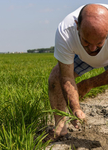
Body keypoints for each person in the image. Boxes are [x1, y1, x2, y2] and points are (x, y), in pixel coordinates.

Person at [48, 3, 108, 140]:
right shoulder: (65, 31)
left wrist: (88, 84)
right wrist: (75, 108)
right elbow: (66, 76)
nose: (92, 49)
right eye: (86, 41)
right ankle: (60, 128)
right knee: (55, 78)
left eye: (99, 43)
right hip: (82, 57)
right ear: (77, 26)